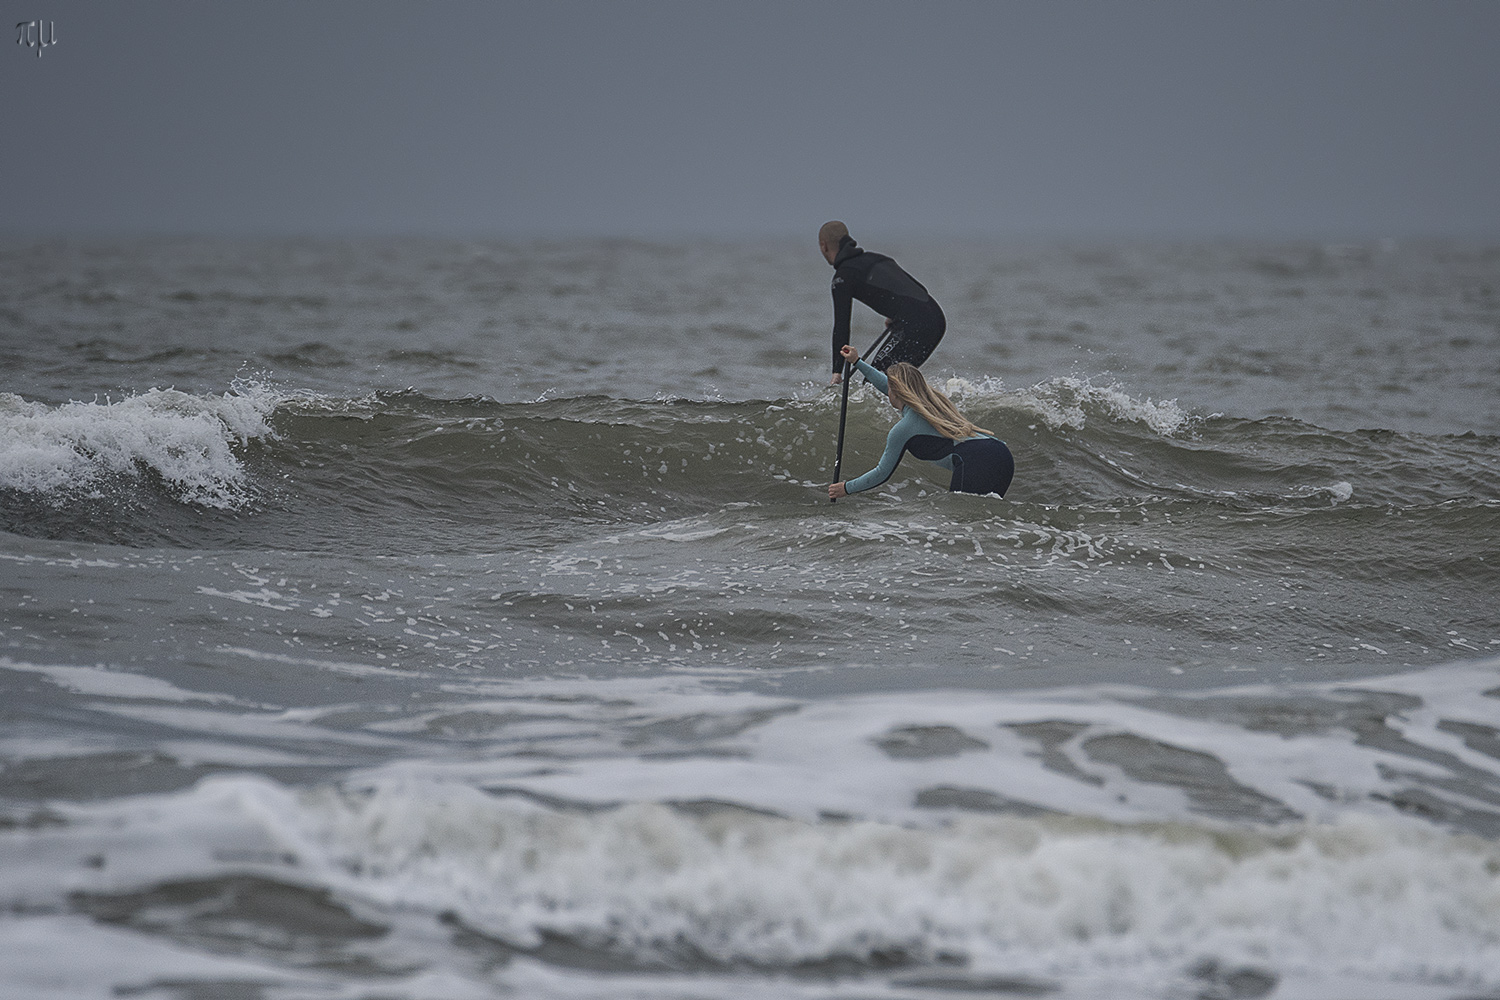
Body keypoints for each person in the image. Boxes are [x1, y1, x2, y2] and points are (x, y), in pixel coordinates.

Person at [828, 344, 1013, 500]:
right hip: (1001, 454)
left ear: (897, 392)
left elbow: (882, 473)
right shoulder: (932, 404)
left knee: (959, 525)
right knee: (984, 522)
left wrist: (846, 488)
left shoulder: (904, 428)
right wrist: (857, 362)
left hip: (977, 461)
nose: (887, 390)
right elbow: (887, 384)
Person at [820, 221, 945, 386]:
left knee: (874, 384)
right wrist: (895, 314)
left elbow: (842, 325)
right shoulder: (878, 259)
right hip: (936, 319)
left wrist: (837, 371)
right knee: (895, 383)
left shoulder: (843, 277)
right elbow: (917, 289)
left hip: (914, 325)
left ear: (824, 246)